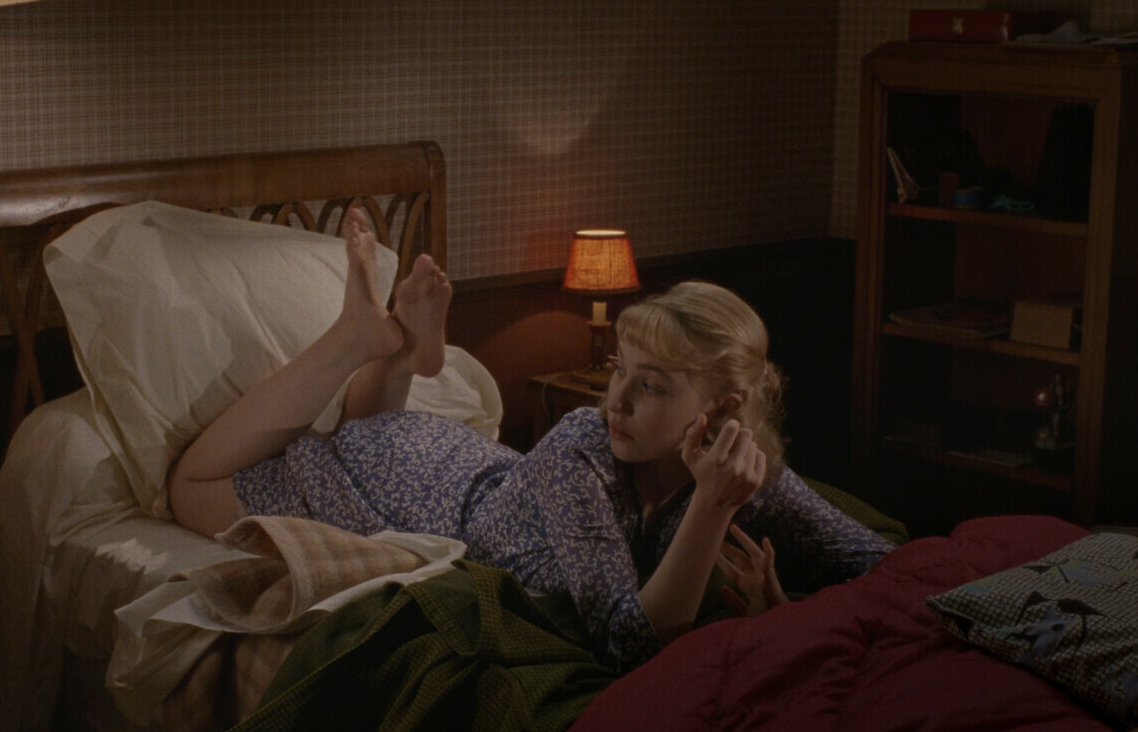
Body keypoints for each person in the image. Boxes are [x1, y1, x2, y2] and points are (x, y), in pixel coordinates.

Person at [168, 210, 894, 668]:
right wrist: (710, 507)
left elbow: (882, 564)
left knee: (367, 429)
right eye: (620, 370)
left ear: (724, 408)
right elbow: (629, 641)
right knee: (187, 485)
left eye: (651, 386)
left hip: (465, 467)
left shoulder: (752, 471)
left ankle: (395, 351)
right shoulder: (583, 447)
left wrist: (790, 614)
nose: (615, 399)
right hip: (422, 492)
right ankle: (356, 339)